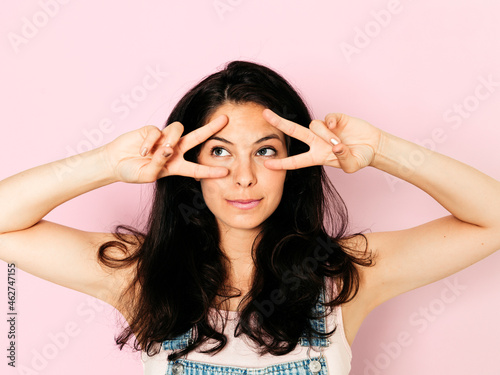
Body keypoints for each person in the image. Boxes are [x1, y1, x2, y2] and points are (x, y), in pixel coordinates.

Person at [0, 60, 499, 375]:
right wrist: (106, 165)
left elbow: (492, 220)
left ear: (294, 164)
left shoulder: (346, 274)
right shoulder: (142, 273)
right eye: (219, 152)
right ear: (188, 166)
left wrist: (382, 149)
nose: (243, 177)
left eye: (265, 150)